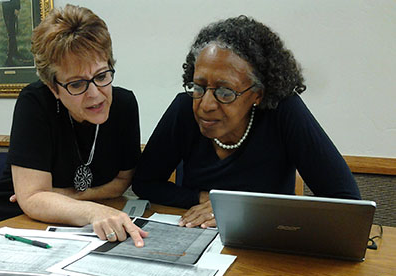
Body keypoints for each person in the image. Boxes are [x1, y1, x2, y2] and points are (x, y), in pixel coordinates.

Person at [132, 15, 360, 229]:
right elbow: (145, 182)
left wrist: (235, 208)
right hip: (198, 237)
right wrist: (205, 199)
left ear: (258, 94)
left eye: (225, 92)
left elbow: (346, 202)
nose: (206, 104)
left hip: (267, 242)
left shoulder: (284, 112)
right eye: (199, 86)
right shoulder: (184, 109)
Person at [0, 5, 147, 247]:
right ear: (53, 87)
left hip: (64, 231)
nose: (95, 95)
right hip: (3, 224)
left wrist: (60, 195)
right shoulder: (35, 102)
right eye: (77, 84)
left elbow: (122, 182)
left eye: (101, 76)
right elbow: (32, 200)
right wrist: (91, 211)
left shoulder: (124, 105)